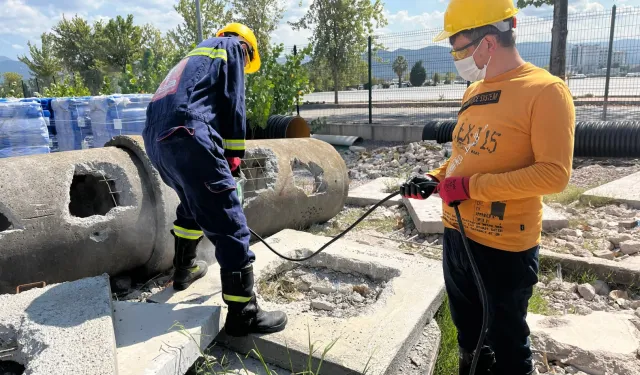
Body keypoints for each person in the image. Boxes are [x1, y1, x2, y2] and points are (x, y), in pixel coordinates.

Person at [401, 0, 575, 374]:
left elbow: (554, 174)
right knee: (469, 336)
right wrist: (435, 177)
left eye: (459, 45)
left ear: (489, 41)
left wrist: (470, 187)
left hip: (504, 246)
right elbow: (466, 154)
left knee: (507, 342)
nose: (454, 54)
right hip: (458, 236)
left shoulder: (545, 91)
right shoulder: (474, 91)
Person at [141, 23, 287, 337]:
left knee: (193, 204)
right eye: (249, 63)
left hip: (157, 141)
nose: (245, 67)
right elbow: (233, 103)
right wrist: (233, 160)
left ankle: (184, 270)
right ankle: (244, 314)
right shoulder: (232, 47)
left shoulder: (193, 59)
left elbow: (198, 104)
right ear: (247, 47)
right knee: (230, 221)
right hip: (188, 135)